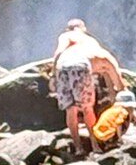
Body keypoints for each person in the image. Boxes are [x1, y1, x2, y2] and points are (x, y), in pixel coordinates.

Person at [51, 18, 124, 155]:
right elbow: (107, 65)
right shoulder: (90, 40)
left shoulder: (66, 36)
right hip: (80, 64)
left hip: (62, 66)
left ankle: (78, 148)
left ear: (68, 29)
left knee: (70, 109)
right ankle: (95, 145)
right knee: (87, 108)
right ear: (84, 28)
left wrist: (53, 76)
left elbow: (58, 53)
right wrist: (118, 91)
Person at [91, 86, 136, 152]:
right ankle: (112, 142)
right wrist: (120, 138)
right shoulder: (122, 112)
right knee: (124, 123)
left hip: (98, 134)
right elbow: (118, 125)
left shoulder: (113, 109)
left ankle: (108, 143)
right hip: (106, 135)